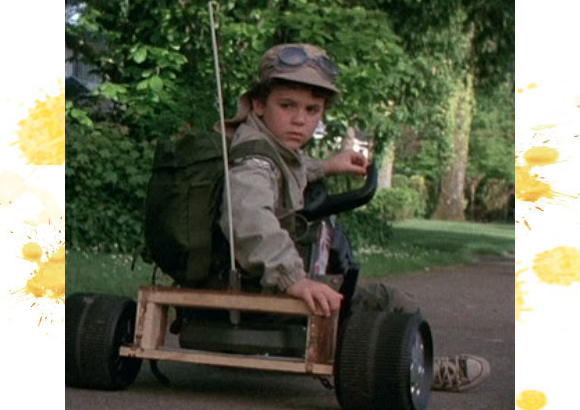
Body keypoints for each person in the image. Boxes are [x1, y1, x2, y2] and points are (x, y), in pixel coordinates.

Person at [218, 43, 490, 392]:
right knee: (388, 300)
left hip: (261, 277)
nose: (300, 119)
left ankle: (408, 360)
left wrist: (327, 166)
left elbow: (289, 171)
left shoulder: (268, 147)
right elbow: (248, 217)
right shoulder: (255, 161)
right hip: (262, 287)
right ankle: (418, 367)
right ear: (259, 104)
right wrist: (293, 279)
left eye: (312, 110)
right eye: (287, 106)